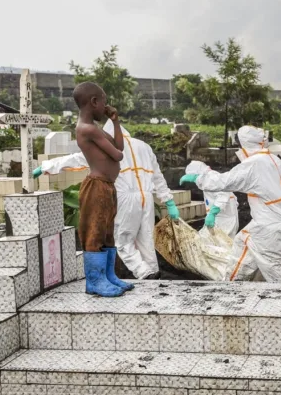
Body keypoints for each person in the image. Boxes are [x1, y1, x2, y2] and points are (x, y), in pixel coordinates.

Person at [33, 120, 179, 280]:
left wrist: (46, 167)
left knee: (123, 241)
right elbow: (157, 176)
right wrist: (168, 201)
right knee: (146, 239)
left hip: (125, 197)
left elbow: (77, 160)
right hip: (147, 197)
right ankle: (153, 274)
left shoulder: (108, 147)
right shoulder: (144, 146)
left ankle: (145, 273)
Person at [180, 126, 281, 282]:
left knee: (274, 267)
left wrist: (199, 179)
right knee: (241, 244)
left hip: (267, 225)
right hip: (270, 221)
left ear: (244, 143)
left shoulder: (254, 164)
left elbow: (225, 181)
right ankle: (231, 285)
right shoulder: (277, 162)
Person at [73, 82, 130, 297]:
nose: (106, 106)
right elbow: (118, 155)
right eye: (103, 102)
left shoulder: (95, 129)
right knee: (94, 233)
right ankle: (95, 281)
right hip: (96, 187)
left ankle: (108, 276)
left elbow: (119, 145)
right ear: (94, 102)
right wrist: (115, 149)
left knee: (107, 232)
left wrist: (114, 122)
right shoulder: (87, 129)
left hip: (107, 186)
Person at [185, 160, 239, 239]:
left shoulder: (211, 179)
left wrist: (213, 213)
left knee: (220, 246)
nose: (194, 181)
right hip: (221, 218)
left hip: (225, 220)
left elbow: (223, 195)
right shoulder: (207, 179)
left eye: (193, 177)